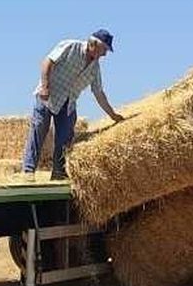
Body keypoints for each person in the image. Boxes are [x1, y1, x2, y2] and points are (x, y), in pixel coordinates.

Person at [23, 28, 125, 180]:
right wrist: (44, 86)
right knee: (39, 131)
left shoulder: (95, 68)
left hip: (68, 104)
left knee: (65, 139)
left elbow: (99, 93)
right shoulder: (70, 46)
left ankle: (58, 174)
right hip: (49, 96)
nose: (104, 54)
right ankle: (28, 171)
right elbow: (47, 62)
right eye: (104, 50)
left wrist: (112, 115)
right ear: (93, 44)